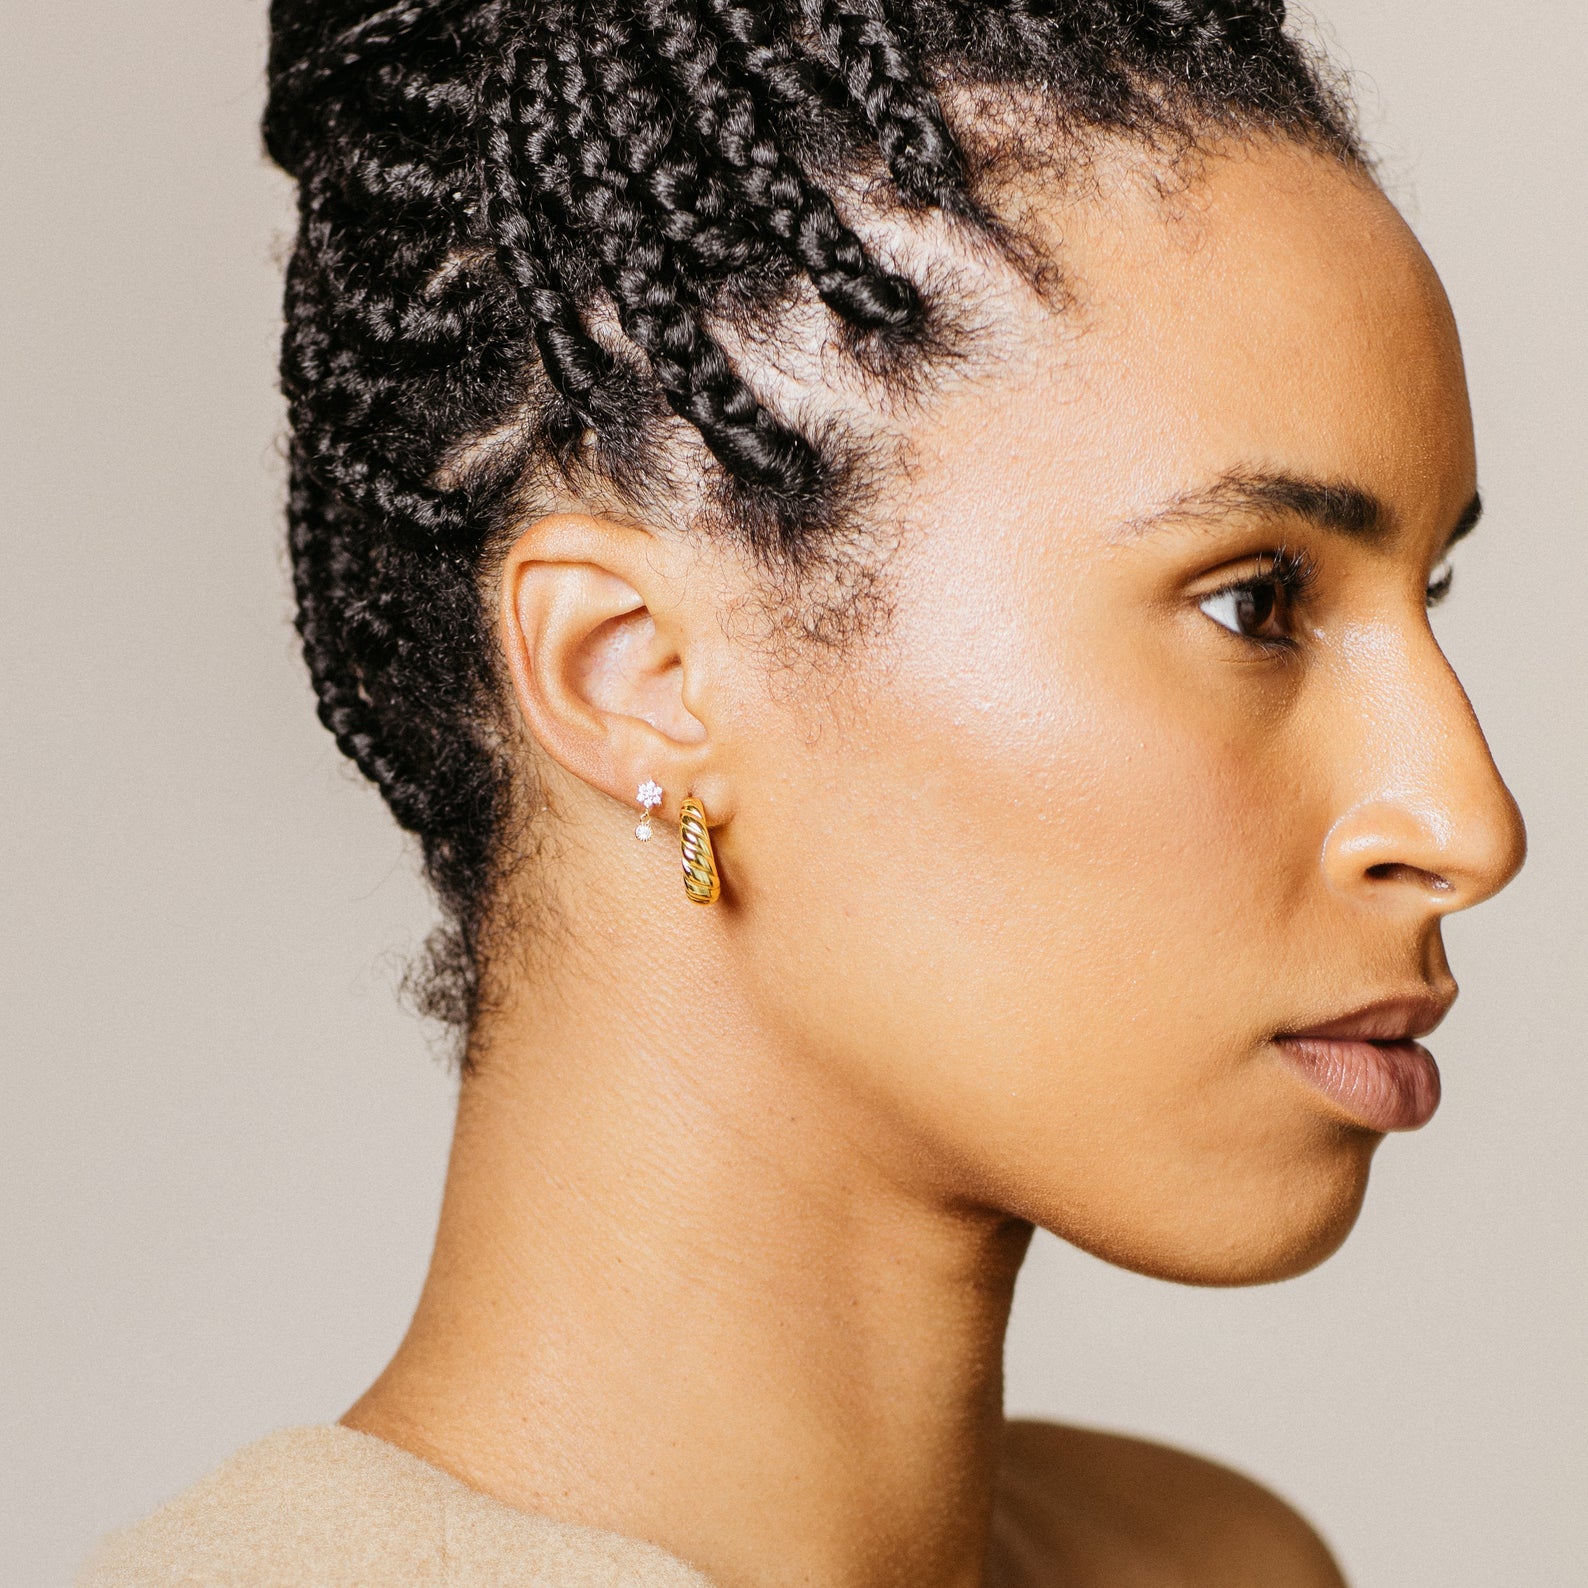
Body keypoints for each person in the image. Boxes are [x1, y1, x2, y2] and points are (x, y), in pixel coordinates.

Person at [81, 1, 1526, 1583]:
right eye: (1255, 600)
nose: (1467, 824)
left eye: (1426, 592)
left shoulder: (1213, 1560)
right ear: (638, 673)